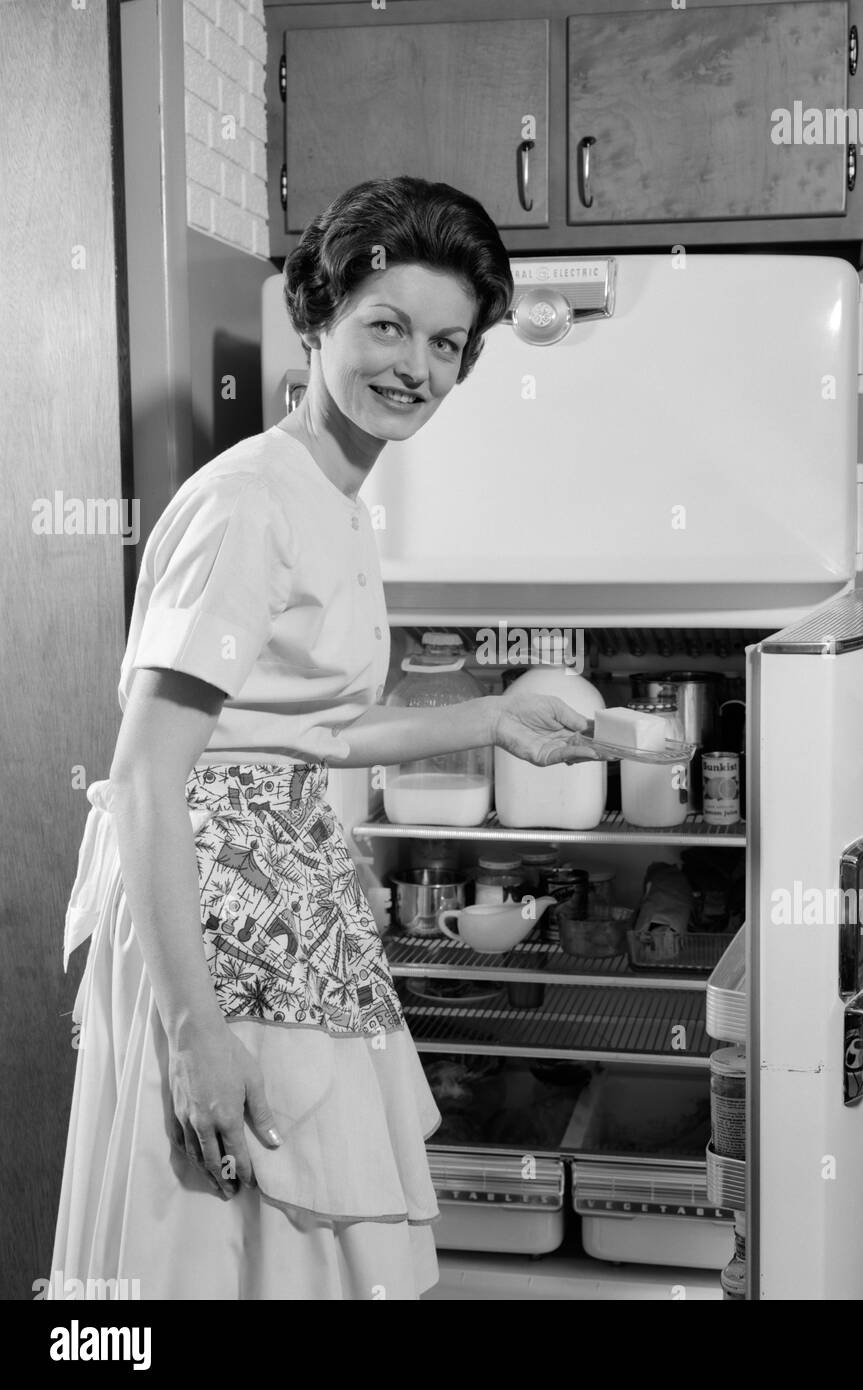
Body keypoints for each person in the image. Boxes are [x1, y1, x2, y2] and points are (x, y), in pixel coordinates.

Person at [50, 176, 596, 1301]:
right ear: (317, 322)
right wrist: (194, 1032)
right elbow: (148, 779)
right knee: (220, 1242)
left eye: (446, 343)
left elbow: (311, 733)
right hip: (209, 921)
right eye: (385, 326)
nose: (416, 367)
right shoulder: (250, 503)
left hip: (285, 903)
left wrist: (491, 717)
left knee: (294, 1248)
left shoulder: (334, 497)